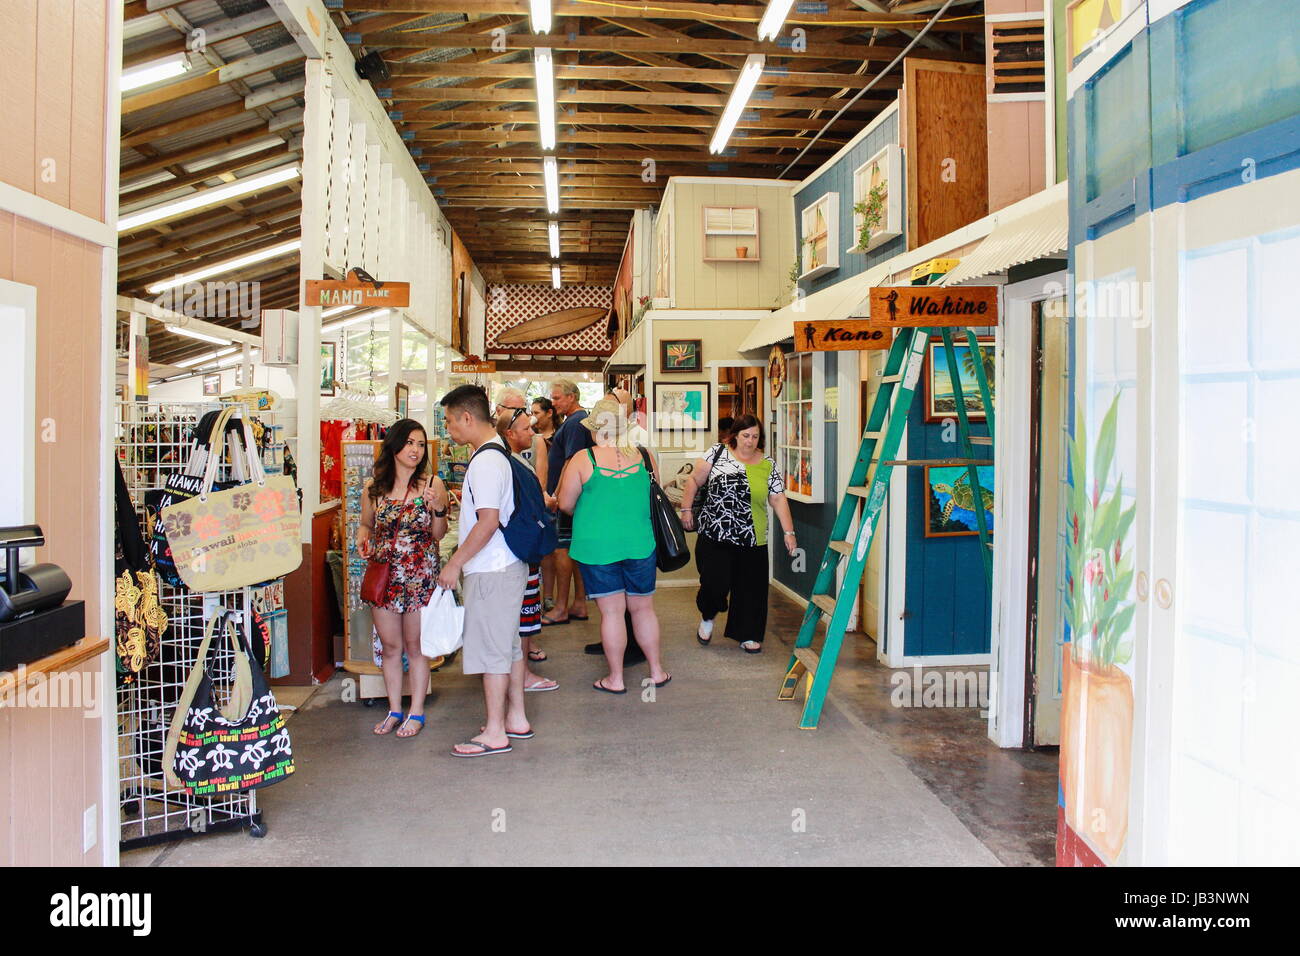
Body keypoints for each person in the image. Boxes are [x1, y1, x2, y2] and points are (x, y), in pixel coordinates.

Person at [437, 385, 530, 757]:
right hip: (505, 565)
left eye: (448, 420)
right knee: (507, 647)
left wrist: (455, 562)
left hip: (492, 568)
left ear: (467, 417)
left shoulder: (486, 461)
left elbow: (488, 521)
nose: (447, 429)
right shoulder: (497, 454)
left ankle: (495, 732)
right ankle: (515, 719)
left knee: (493, 651)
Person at [558, 398, 669, 693]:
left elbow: (565, 504)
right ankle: (656, 671)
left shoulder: (583, 459)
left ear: (595, 431)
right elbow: (654, 494)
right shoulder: (644, 457)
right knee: (643, 609)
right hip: (640, 543)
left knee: (612, 613)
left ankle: (616, 678)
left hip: (597, 547)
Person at [358, 419, 449, 737]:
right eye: (410, 442)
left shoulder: (432, 483)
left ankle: (417, 712)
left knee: (417, 646)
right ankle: (394, 709)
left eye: (421, 444)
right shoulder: (376, 487)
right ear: (395, 445)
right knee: (391, 646)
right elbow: (366, 524)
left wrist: (438, 509)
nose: (415, 449)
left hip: (420, 576)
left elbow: (439, 534)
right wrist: (362, 536)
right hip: (384, 576)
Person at [680, 415, 797, 654]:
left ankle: (749, 634)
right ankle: (708, 615)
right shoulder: (718, 453)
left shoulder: (768, 464)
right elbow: (694, 480)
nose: (750, 441)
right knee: (714, 584)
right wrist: (686, 509)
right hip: (715, 533)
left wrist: (789, 531)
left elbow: (777, 498)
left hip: (752, 536)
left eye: (755, 436)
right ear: (735, 435)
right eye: (745, 436)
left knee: (751, 588)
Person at [496, 403, 559, 692]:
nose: (532, 433)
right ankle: (522, 676)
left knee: (526, 612)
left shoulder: (516, 460)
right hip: (521, 551)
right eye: (526, 429)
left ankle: (521, 672)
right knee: (523, 615)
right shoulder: (509, 463)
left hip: (524, 551)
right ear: (509, 433)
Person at [541, 378, 592, 626]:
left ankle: (561, 606)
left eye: (557, 397)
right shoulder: (577, 421)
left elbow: (571, 461)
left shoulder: (574, 424)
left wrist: (557, 496)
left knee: (563, 550)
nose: (554, 402)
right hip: (575, 497)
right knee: (576, 551)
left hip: (567, 498)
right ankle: (579, 603)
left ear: (572, 397)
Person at [530, 396, 562, 614]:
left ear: (549, 413)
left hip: (553, 497)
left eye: (537, 413)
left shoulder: (558, 436)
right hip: (538, 498)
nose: (533, 417)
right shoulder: (530, 436)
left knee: (553, 550)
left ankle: (550, 595)